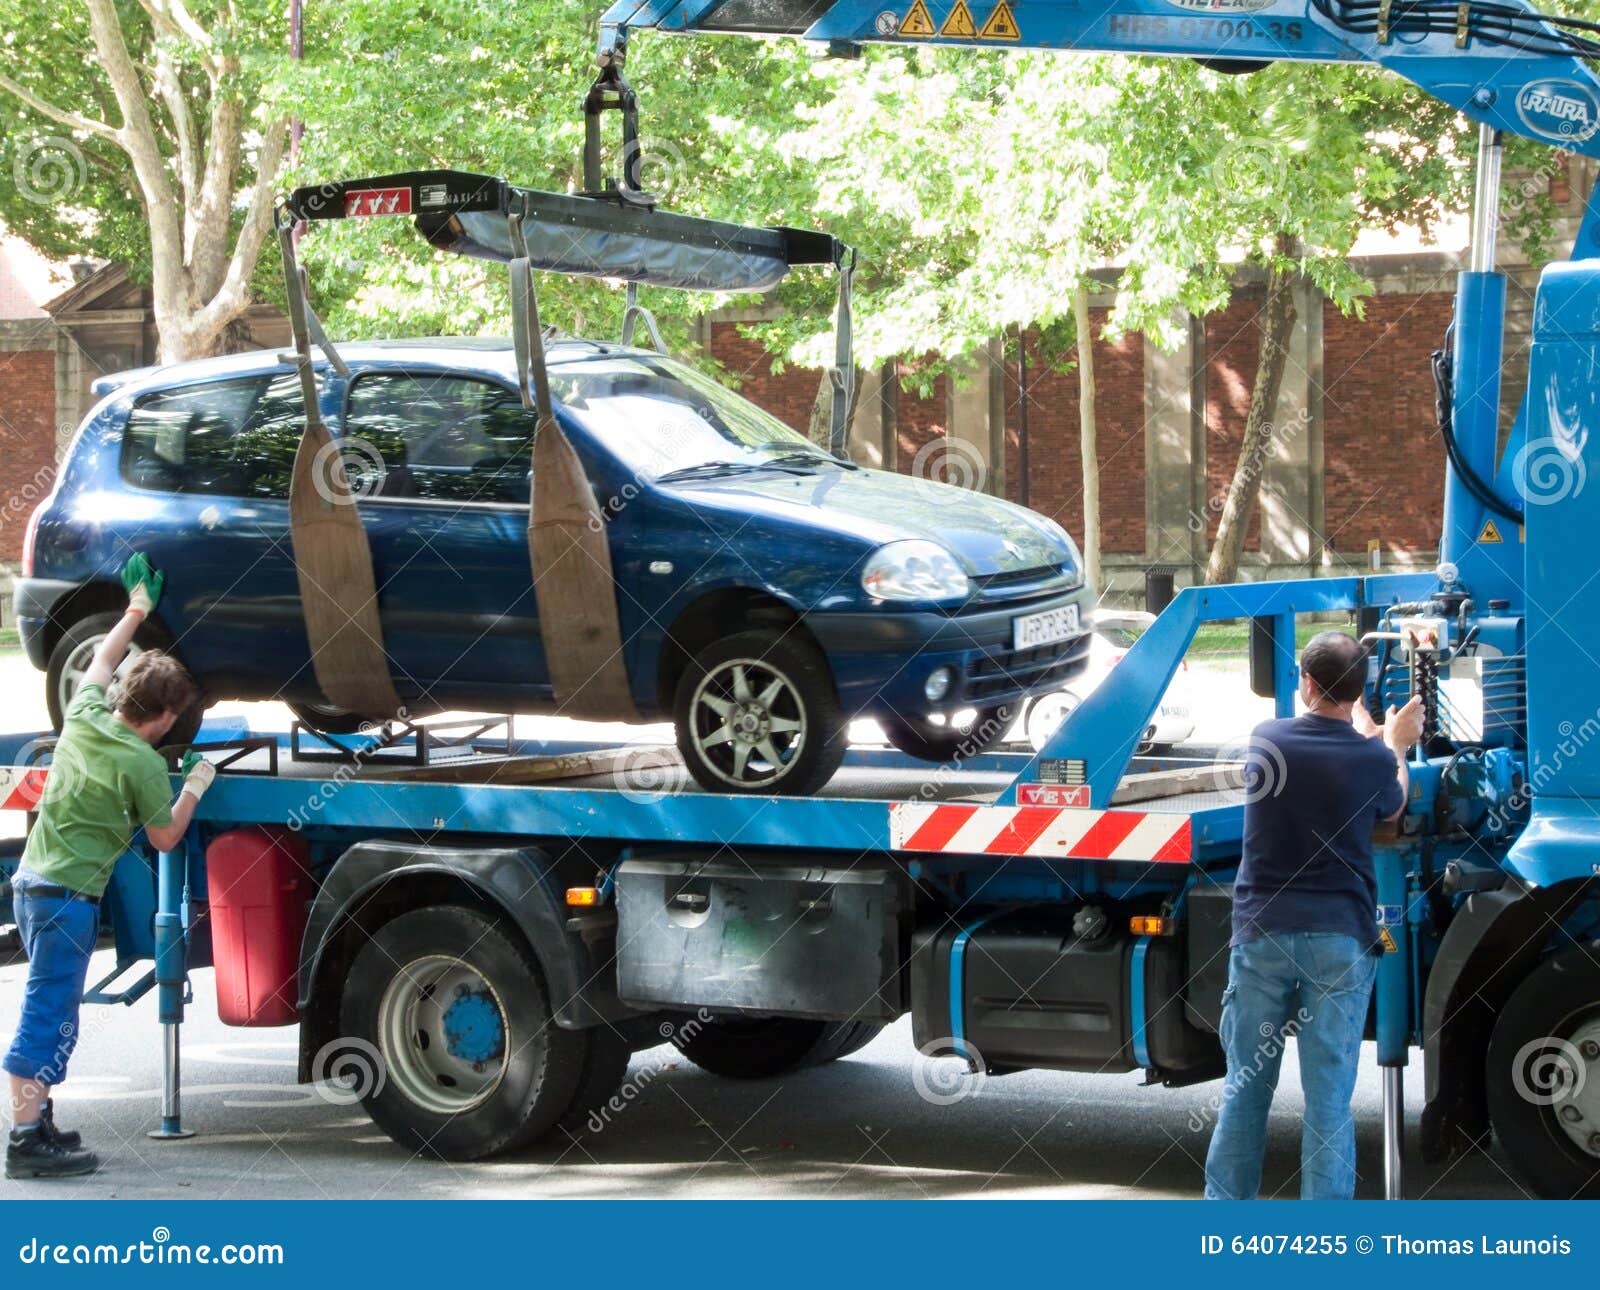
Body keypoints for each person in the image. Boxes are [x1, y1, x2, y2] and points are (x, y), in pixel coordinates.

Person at [5, 554, 216, 1179]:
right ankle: (23, 1142)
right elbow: (167, 834)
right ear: (166, 718)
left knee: (52, 1010)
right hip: (67, 900)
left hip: (34, 887)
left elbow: (97, 661)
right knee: (47, 1015)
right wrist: (196, 785)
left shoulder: (85, 714)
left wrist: (134, 613)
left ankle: (36, 1119)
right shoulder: (144, 764)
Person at [1203, 629, 1424, 1200]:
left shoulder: (1267, 739)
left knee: (1244, 1093)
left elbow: (1325, 750)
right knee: (1328, 1103)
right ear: (1360, 691)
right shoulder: (1371, 760)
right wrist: (1394, 742)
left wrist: (1370, 738)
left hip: (1263, 935)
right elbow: (1394, 799)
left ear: (1305, 683)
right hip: (1338, 940)